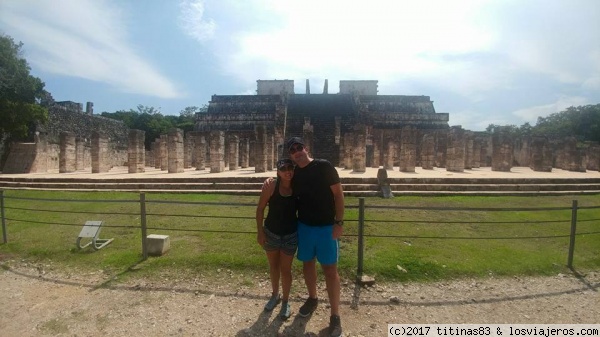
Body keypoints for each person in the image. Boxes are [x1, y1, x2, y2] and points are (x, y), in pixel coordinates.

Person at [285, 136, 345, 337]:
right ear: (290, 155)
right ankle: (313, 297)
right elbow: (284, 186)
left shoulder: (324, 166)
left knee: (330, 270)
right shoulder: (295, 174)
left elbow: (338, 194)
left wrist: (339, 222)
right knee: (307, 264)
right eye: (293, 150)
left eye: (299, 147)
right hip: (305, 226)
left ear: (306, 148)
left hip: (327, 227)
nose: (297, 151)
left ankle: (335, 314)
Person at [255, 158, 298, 320]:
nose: (288, 171)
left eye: (290, 168)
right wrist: (260, 232)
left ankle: (286, 301)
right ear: (278, 172)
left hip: (290, 234)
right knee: (273, 266)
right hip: (271, 232)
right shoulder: (271, 186)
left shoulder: (298, 186)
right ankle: (275, 295)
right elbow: (260, 209)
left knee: (286, 270)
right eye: (283, 168)